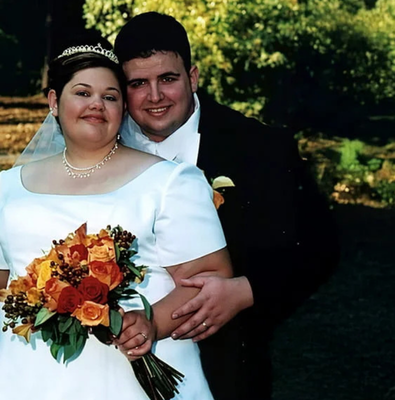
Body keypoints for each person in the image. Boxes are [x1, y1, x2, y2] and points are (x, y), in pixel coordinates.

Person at [0, 38, 233, 400]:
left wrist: (151, 324)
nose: (97, 104)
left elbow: (211, 279)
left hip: (129, 377)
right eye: (82, 92)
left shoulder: (170, 181)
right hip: (17, 380)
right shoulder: (10, 186)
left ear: (122, 108)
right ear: (54, 102)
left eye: (110, 96)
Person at [113, 12, 340, 400]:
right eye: (138, 83)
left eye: (168, 79)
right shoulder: (102, 144)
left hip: (227, 362)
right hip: (113, 361)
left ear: (193, 77)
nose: (154, 96)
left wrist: (246, 291)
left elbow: (320, 247)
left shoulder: (261, 147)